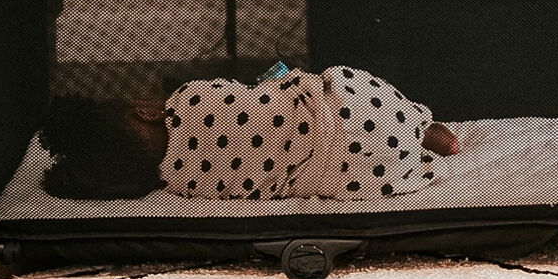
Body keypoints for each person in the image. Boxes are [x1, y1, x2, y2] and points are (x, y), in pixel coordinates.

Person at [40, 66, 459, 201]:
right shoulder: (188, 97)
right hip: (357, 109)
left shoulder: (185, 182)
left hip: (360, 173)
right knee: (329, 84)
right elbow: (250, 96)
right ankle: (424, 127)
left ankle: (415, 149)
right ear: (147, 113)